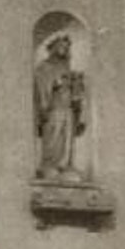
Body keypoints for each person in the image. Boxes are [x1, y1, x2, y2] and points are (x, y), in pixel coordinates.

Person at [34, 34, 86, 182]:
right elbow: (41, 86)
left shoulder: (66, 67)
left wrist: (77, 85)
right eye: (62, 45)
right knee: (54, 137)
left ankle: (66, 165)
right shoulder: (45, 66)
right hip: (53, 108)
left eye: (67, 46)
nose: (65, 49)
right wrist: (55, 83)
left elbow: (75, 92)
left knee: (67, 137)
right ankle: (49, 164)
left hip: (67, 108)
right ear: (54, 46)